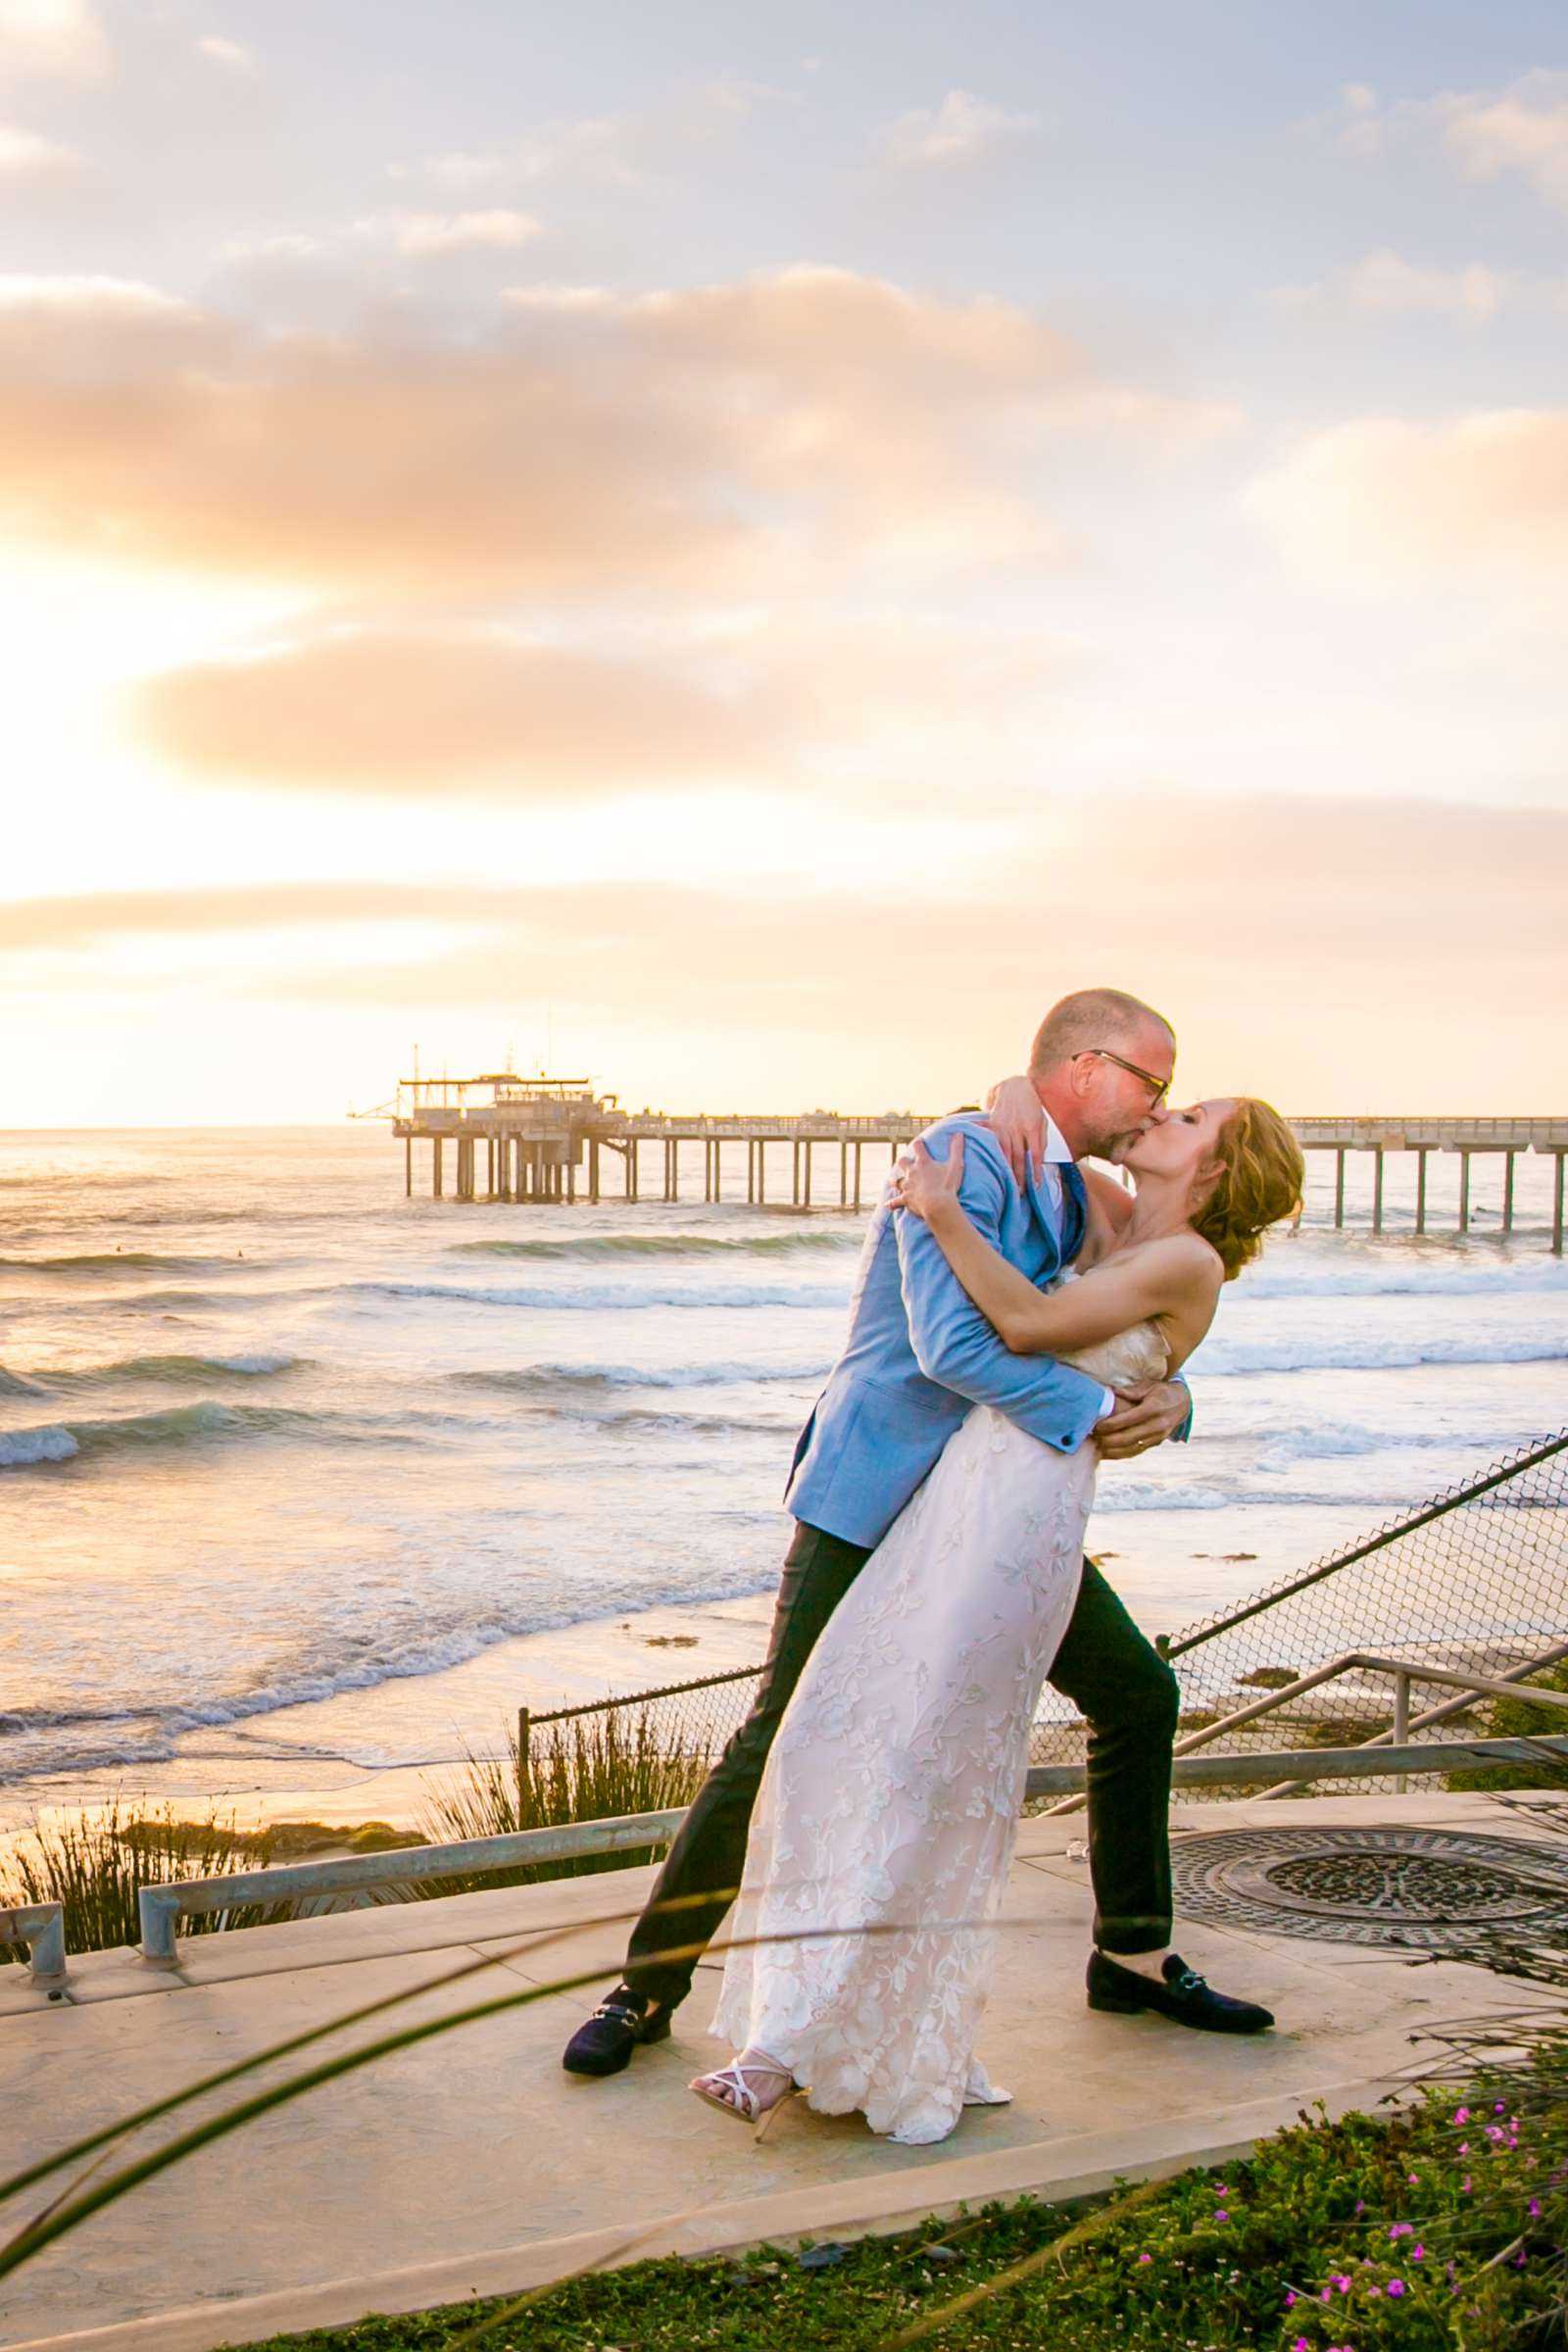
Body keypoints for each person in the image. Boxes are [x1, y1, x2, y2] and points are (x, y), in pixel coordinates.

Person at [562, 989, 1211, 2084]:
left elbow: (1144, 1302)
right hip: (878, 1493)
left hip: (995, 1513)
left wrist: (1177, 1395)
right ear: (1089, 1066)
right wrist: (1096, 1419)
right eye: (1152, 1079)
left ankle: (1133, 1955)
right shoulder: (958, 1155)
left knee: (1139, 1694)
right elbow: (954, 1345)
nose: (1162, 1101)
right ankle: (645, 1987)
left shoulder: (1076, 1185)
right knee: (776, 1735)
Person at [693, 1088, 1302, 2142]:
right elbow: (1043, 1145)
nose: (1166, 1111)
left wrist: (937, 1212)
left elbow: (1022, 1325)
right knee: (830, 1734)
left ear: (1215, 1167)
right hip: (950, 1497)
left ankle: (802, 2043)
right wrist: (1013, 1092)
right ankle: (769, 2020)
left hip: (1016, 1522)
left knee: (928, 1758)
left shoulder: (1184, 1260)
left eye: (1191, 1116)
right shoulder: (1113, 1216)